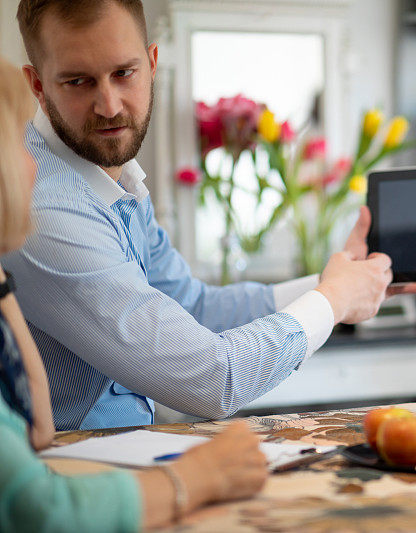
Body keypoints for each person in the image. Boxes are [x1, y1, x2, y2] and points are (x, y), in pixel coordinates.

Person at [8, 0, 416, 430]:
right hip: (72, 478)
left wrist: (339, 280)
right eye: (78, 81)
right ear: (38, 85)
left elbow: (194, 306)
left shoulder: (112, 178)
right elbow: (212, 380)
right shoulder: (45, 209)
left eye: (123, 73)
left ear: (152, 63)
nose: (110, 105)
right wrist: (334, 301)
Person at [0, 53, 268, 532]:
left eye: (123, 73)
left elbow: (36, 428)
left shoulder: (123, 193)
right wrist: (197, 476)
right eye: (17, 144)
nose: (35, 170)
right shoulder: (55, 215)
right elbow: (40, 510)